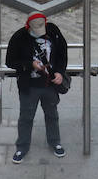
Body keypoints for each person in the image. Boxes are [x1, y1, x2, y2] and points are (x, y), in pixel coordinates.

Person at [5, 11, 69, 163]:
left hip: (49, 84)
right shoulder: (19, 37)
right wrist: (30, 64)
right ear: (28, 26)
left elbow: (62, 53)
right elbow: (10, 61)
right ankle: (22, 146)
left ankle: (55, 142)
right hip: (29, 84)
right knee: (26, 116)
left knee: (52, 114)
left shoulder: (53, 32)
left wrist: (60, 72)